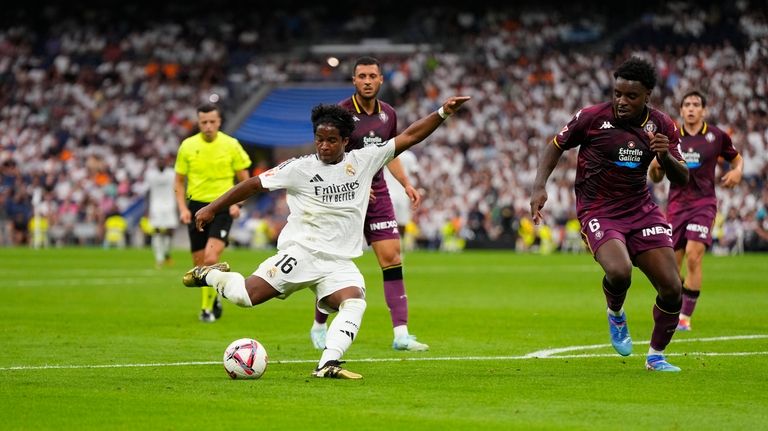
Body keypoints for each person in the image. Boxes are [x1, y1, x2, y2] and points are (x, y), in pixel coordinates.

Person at [181, 97, 470, 379]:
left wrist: (443, 112)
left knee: (355, 300)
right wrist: (211, 208)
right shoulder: (299, 168)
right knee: (245, 297)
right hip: (301, 253)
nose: (324, 145)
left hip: (338, 261)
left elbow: (409, 136)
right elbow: (253, 185)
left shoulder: (365, 160)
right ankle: (212, 276)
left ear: (346, 140)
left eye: (332, 140)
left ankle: (328, 363)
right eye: (319, 139)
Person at [530, 57, 689, 372]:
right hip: (598, 210)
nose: (621, 101)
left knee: (672, 288)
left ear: (647, 96)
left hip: (640, 209)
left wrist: (664, 157)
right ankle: (616, 313)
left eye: (631, 96)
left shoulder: (662, 125)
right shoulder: (591, 117)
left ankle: (656, 356)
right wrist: (539, 187)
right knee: (619, 272)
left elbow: (683, 178)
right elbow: (555, 146)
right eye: (617, 93)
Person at [309, 56, 429, 352]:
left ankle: (401, 334)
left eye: (372, 76)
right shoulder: (341, 113)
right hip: (344, 195)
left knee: (392, 257)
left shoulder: (388, 114)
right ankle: (319, 324)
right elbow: (328, 155)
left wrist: (406, 183)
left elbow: (391, 152)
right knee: (334, 259)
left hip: (378, 192)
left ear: (380, 80)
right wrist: (354, 185)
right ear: (354, 80)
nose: (366, 81)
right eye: (361, 76)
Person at [648, 90, 743, 331]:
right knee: (672, 268)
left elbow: (736, 158)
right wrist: (656, 168)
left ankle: (684, 318)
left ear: (704, 110)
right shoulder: (671, 136)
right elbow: (655, 174)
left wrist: (737, 171)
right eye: (687, 104)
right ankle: (675, 307)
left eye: (696, 104)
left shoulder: (716, 136)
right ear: (680, 110)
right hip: (677, 206)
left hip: (704, 203)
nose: (691, 108)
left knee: (694, 254)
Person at [174, 103, 251, 323]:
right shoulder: (187, 146)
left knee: (210, 257)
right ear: (198, 123)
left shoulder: (231, 145)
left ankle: (206, 310)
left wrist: (239, 203)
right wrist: (182, 208)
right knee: (199, 264)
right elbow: (178, 181)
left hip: (222, 206)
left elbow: (245, 180)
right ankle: (215, 295)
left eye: (212, 122)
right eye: (203, 122)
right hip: (196, 207)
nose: (208, 126)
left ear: (219, 122)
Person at [146, 154, 180, 269]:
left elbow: (177, 188)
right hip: (156, 206)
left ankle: (166, 253)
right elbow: (148, 191)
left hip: (169, 205)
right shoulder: (150, 174)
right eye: (159, 161)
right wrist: (148, 209)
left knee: (170, 231)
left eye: (163, 161)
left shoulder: (171, 173)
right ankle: (159, 258)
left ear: (166, 162)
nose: (161, 163)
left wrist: (178, 205)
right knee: (156, 231)